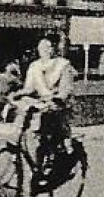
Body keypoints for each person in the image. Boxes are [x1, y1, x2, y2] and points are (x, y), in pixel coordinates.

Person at [10, 34, 77, 180]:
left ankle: (51, 162)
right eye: (42, 47)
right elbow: (29, 88)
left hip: (57, 105)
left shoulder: (63, 65)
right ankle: (16, 145)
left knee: (46, 128)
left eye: (48, 47)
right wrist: (17, 94)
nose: (45, 50)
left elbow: (66, 89)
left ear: (54, 49)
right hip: (41, 103)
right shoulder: (35, 66)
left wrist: (58, 98)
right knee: (25, 115)